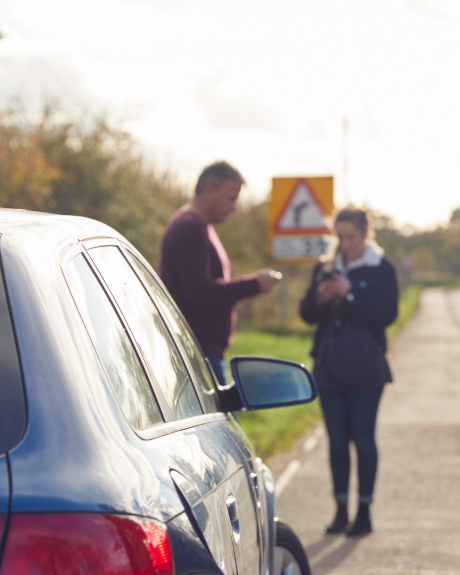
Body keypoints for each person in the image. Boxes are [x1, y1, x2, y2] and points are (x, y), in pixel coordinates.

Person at [298, 207, 398, 537]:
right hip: (329, 366)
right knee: (337, 442)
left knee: (363, 438)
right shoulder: (326, 267)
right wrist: (321, 296)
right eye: (339, 237)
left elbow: (386, 315)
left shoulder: (381, 268)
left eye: (351, 237)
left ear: (366, 233)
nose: (345, 243)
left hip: (367, 367)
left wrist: (350, 294)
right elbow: (307, 315)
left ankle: (364, 511)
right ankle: (340, 510)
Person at [159, 161, 281, 384]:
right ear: (209, 190)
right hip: (198, 353)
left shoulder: (199, 226)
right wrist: (255, 284)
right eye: (230, 198)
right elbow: (200, 292)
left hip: (201, 351)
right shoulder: (190, 227)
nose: (234, 207)